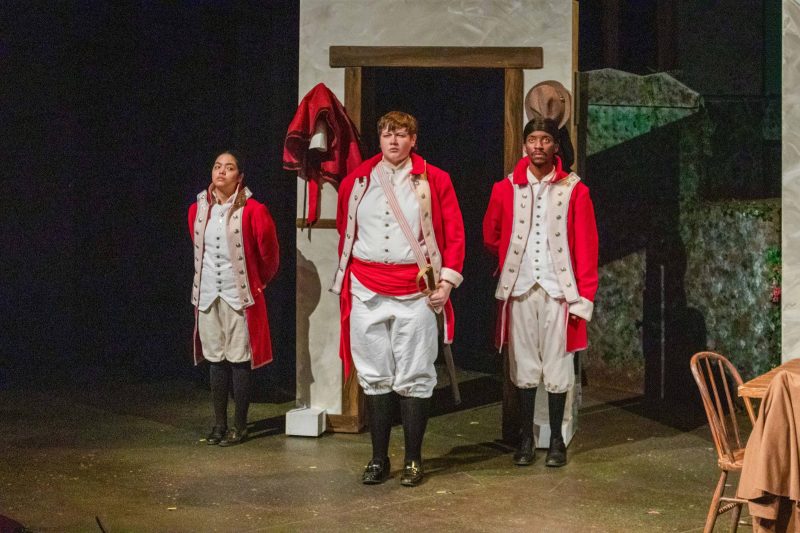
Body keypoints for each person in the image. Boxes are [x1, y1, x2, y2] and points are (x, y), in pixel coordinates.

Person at [330, 111, 465, 486]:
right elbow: (345, 228)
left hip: (416, 291)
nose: (393, 140)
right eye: (388, 134)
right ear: (379, 139)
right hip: (367, 287)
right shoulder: (357, 181)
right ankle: (378, 458)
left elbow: (455, 234)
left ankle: (413, 459)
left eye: (401, 134)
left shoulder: (435, 179)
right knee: (375, 376)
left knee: (415, 375)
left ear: (413, 140)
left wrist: (446, 284)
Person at [483, 116, 598, 467]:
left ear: (555, 146)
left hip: (559, 291)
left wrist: (584, 294)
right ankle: (526, 439)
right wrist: (513, 261)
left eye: (545, 140)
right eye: (533, 139)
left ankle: (558, 440)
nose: (538, 146)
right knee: (524, 364)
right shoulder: (505, 188)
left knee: (558, 363)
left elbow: (587, 247)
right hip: (520, 288)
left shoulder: (574, 190)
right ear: (524, 145)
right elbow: (491, 235)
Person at [188, 150, 279, 447]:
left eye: (228, 168)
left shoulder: (253, 210)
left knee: (239, 360)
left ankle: (240, 425)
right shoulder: (198, 210)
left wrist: (255, 283)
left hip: (237, 295)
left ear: (239, 176)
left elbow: (269, 256)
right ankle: (219, 424)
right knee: (215, 359)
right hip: (207, 295)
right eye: (217, 166)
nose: (221, 172)